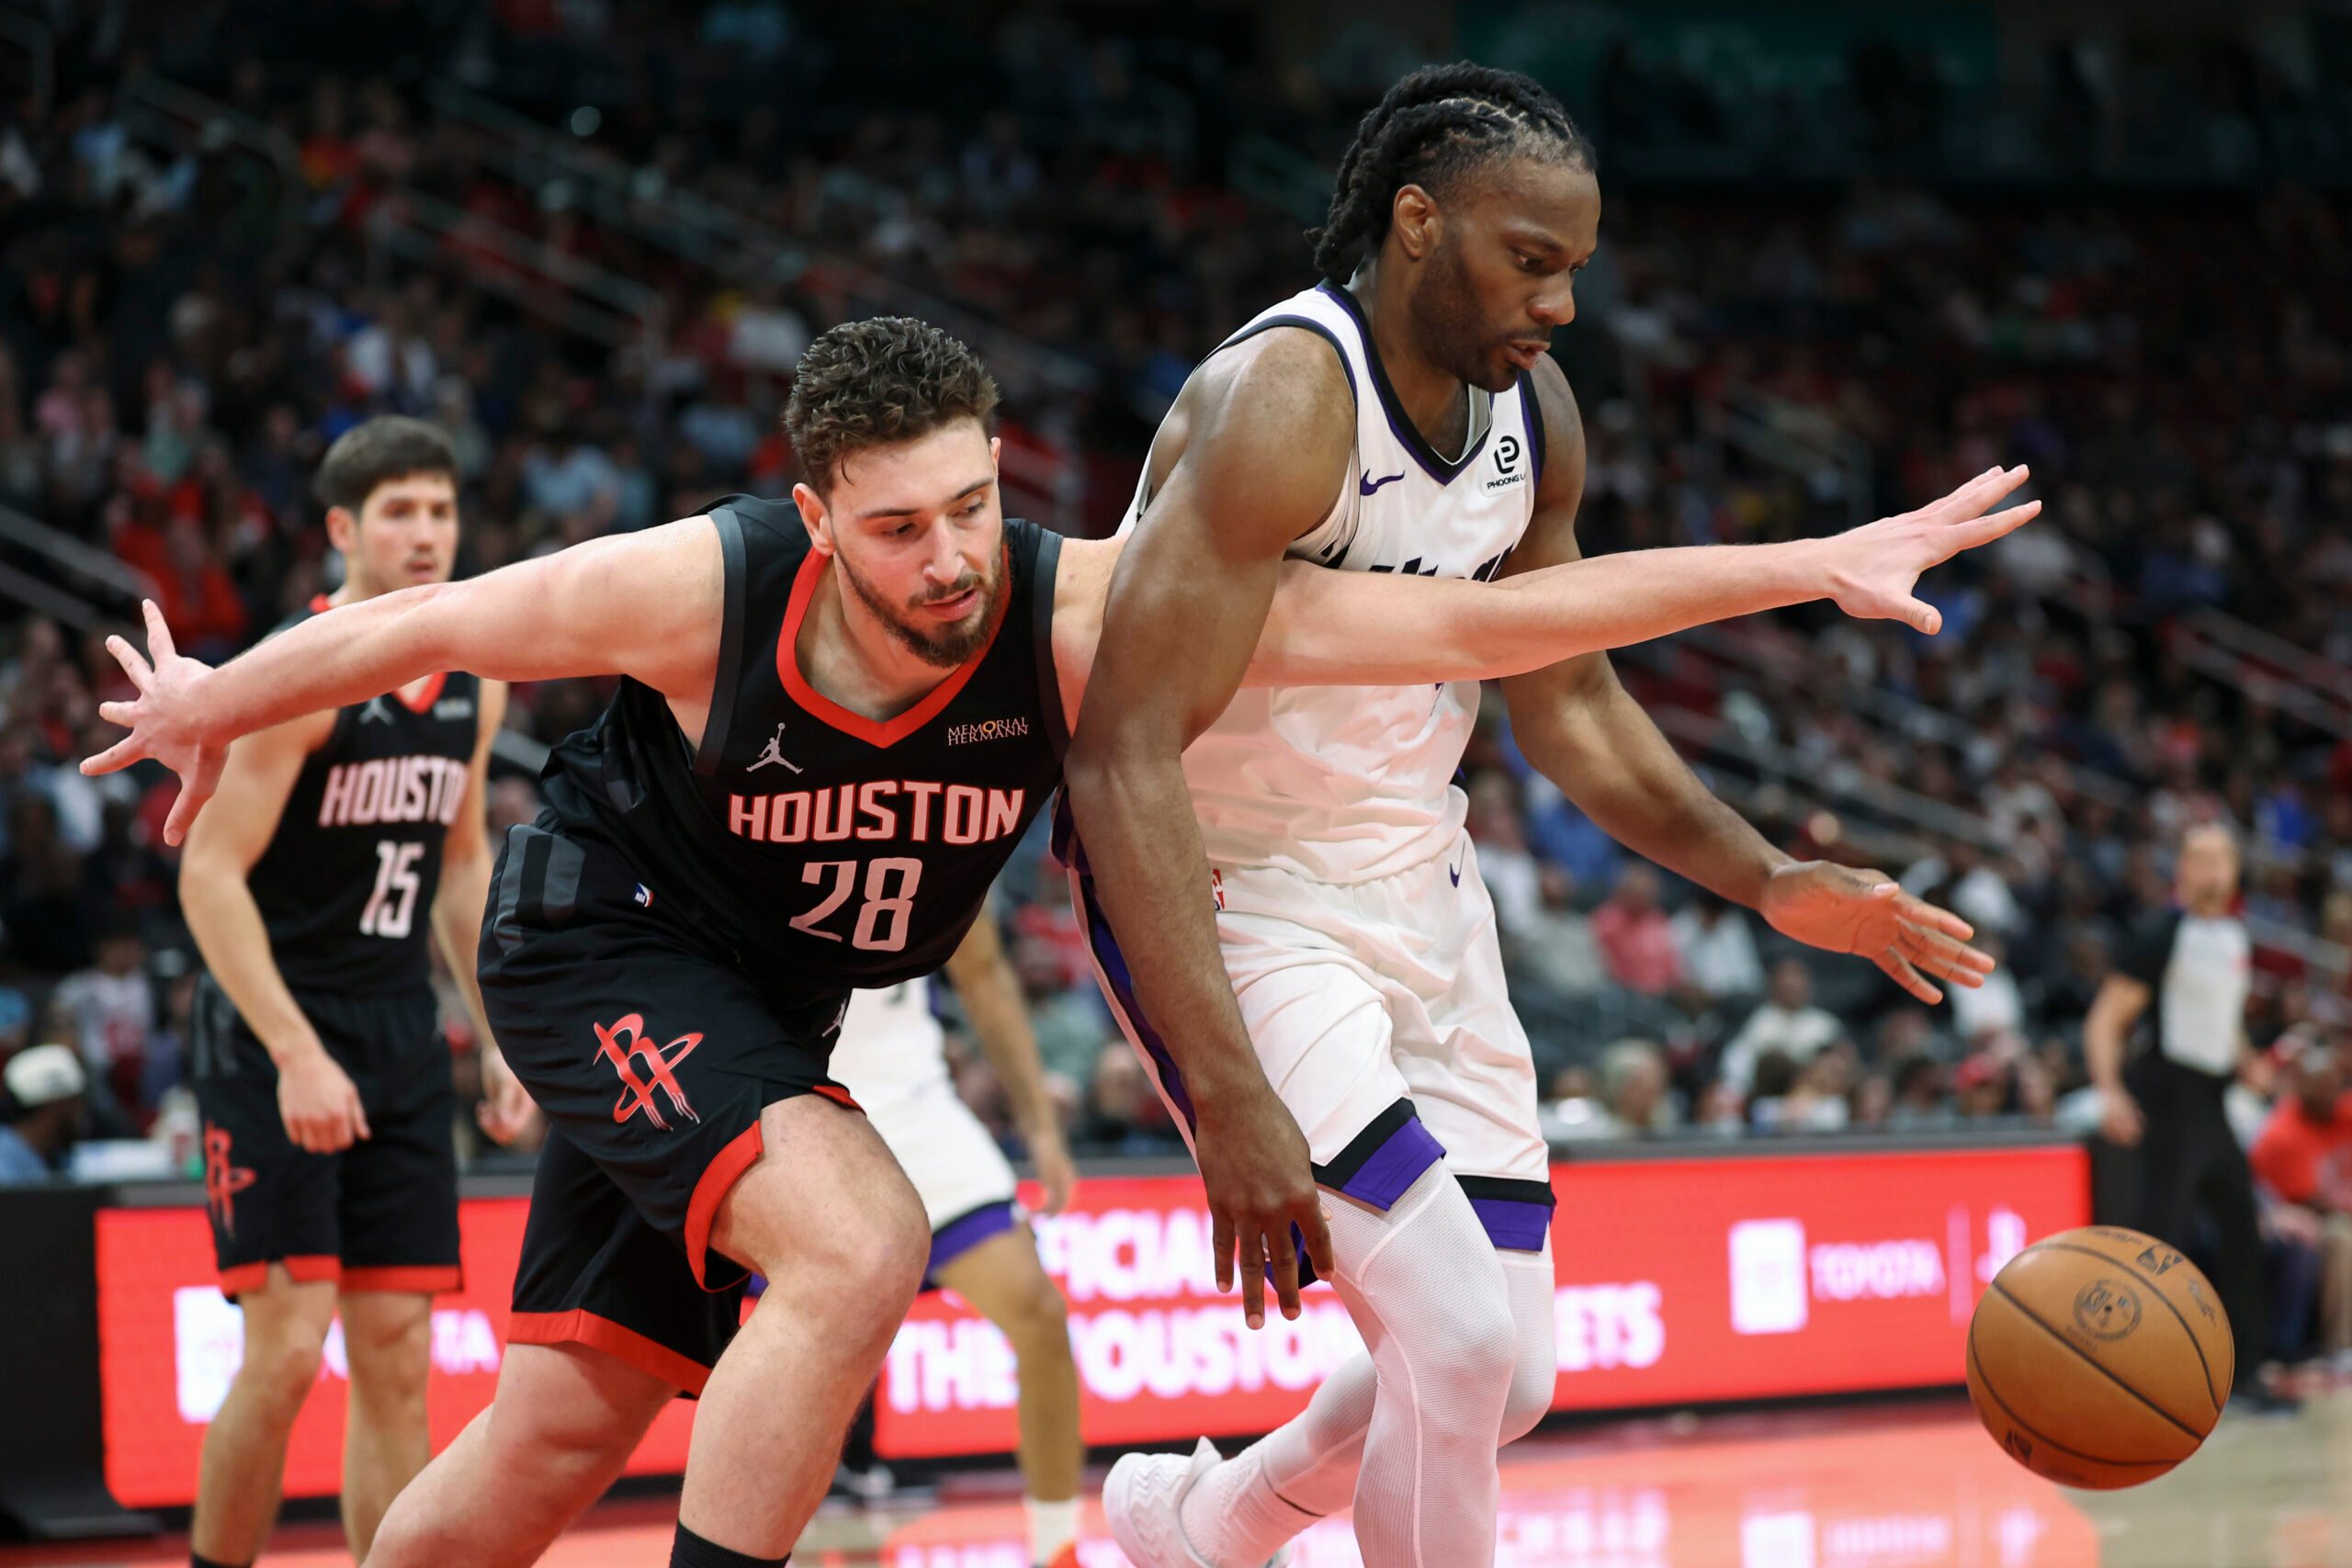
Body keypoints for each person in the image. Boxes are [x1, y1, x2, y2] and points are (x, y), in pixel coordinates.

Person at [92, 316, 2032, 1568]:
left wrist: (1805, 563)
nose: (945, 558)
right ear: (812, 513)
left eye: (969, 506)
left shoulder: (1078, 608)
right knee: (855, 1245)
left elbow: (1463, 631)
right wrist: (212, 700)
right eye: (896, 528)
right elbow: (409, 631)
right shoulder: (702, 585)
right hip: (601, 941)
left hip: (774, 1000)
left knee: (560, 1429)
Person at [1059, 62, 2026, 1567]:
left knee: (1507, 1376)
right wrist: (1226, 1080)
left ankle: (1201, 1525)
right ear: (1419, 220)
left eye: (1576, 268)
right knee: (1445, 1335)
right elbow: (1117, 756)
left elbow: (1568, 699)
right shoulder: (1283, 403)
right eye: (1533, 261)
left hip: (1419, 889)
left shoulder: (1533, 419)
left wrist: (1769, 878)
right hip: (1235, 891)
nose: (1562, 304)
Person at [175, 416, 508, 1568]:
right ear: (341, 531)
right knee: (283, 1351)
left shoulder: (475, 676)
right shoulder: (300, 675)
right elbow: (207, 874)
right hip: (272, 1025)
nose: (426, 534)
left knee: (398, 1354)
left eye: (440, 509)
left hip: (397, 1030)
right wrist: (295, 1052)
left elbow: (462, 865)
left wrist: (495, 1034)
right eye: (399, 513)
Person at [830, 917, 1085, 1568]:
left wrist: (1041, 1130)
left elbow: (984, 972)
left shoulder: (942, 815)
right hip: (804, 1097)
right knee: (826, 1357)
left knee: (1040, 1316)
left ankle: (1056, 1550)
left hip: (915, 1103)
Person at [2086, 822, 2298, 1413]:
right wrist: (2109, 1090)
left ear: (2234, 872)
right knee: (2159, 1243)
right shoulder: (2161, 934)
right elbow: (2106, 1019)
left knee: (2242, 1232)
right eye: (2198, 859)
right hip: (2166, 1098)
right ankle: (2137, 1378)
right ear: (2180, 870)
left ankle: (2247, 1373)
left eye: (2220, 860)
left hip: (2213, 1099)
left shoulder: (2233, 936)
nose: (2210, 871)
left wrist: (2249, 1063)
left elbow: (2221, 1019)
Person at [2248, 1038, 2352, 1363]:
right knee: (2341, 1238)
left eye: (2334, 1084)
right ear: (2300, 1087)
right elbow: (2313, 1203)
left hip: (2336, 1210)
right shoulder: (2282, 1134)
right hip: (2297, 1217)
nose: (2327, 1093)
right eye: (2318, 1084)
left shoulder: (2343, 1113)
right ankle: (2341, 1348)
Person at [0, 1042, 86, 1183]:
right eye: (74, 1101)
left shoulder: (58, 1157)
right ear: (55, 1106)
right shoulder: (4, 1170)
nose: (80, 1111)